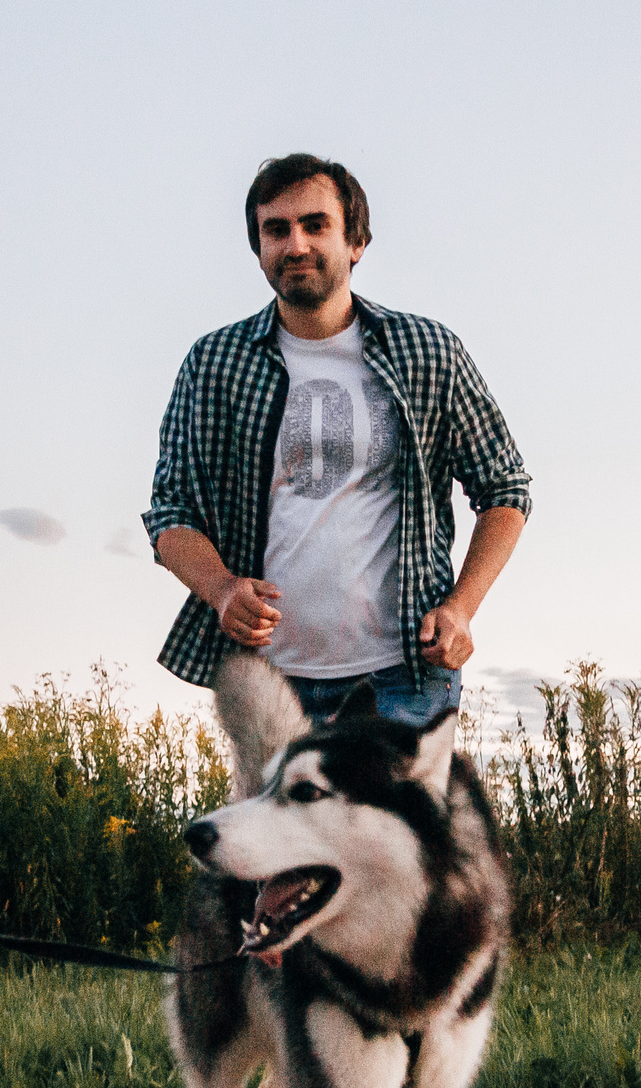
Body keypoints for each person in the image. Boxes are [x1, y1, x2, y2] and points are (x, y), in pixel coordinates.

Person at [143, 155, 531, 724]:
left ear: (357, 242)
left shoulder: (427, 352)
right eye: (275, 230)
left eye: (315, 225)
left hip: (405, 675)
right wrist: (224, 590)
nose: (295, 244)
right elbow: (171, 512)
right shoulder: (214, 364)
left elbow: (505, 486)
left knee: (393, 820)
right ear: (258, 250)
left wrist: (461, 608)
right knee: (274, 817)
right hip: (267, 681)